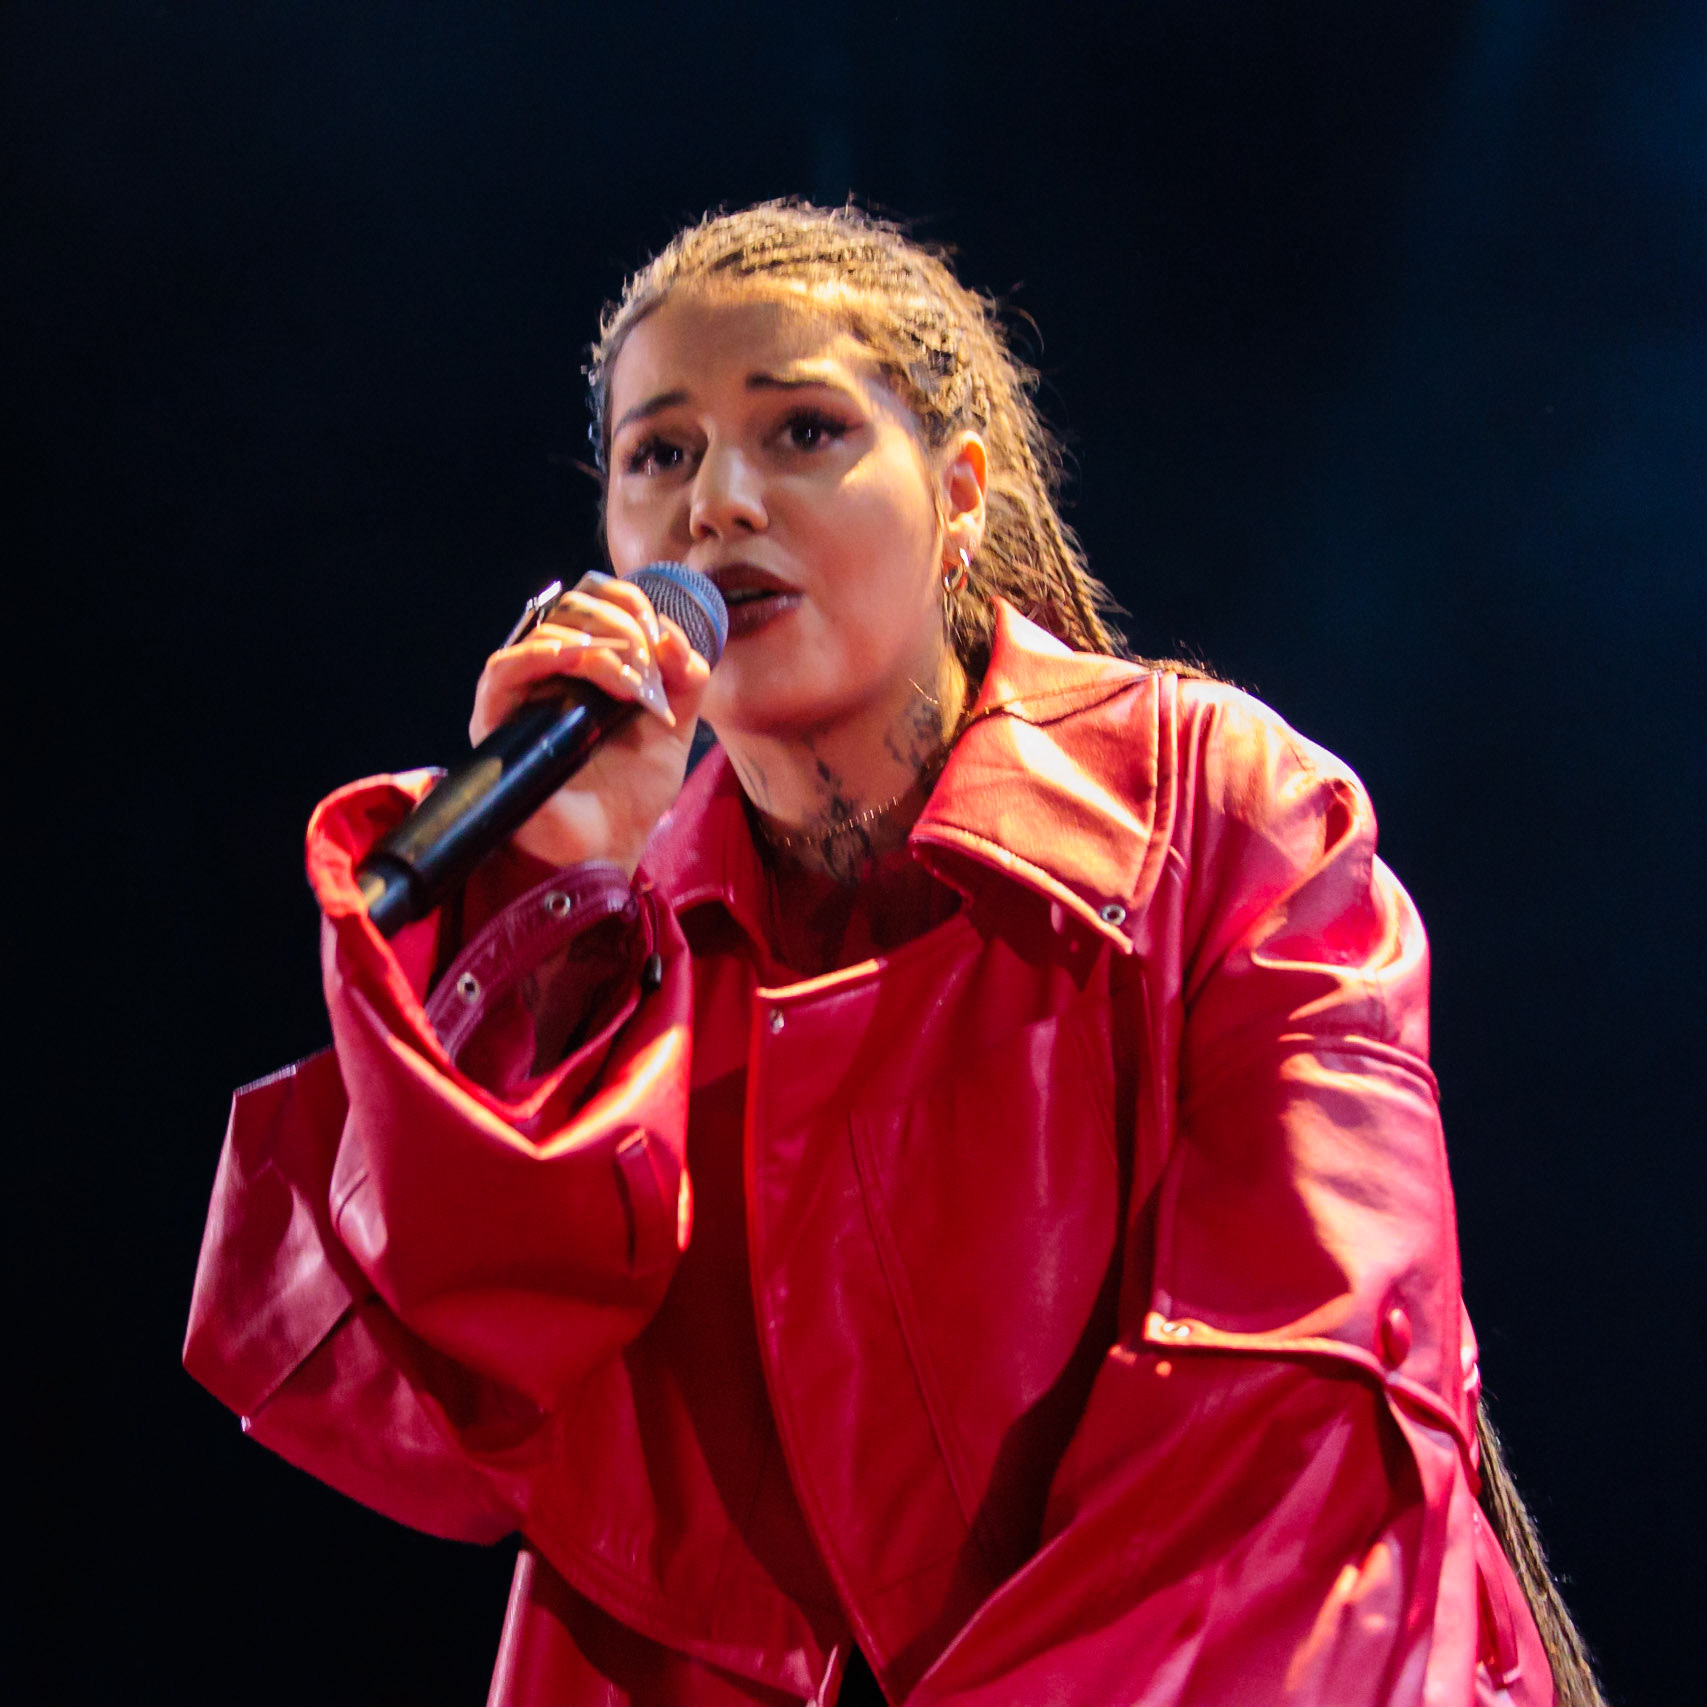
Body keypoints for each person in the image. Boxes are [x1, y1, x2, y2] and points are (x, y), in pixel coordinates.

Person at [185, 201, 1601, 1706]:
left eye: (802, 432)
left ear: (961, 496)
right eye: (657, 454)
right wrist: (555, 897)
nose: (716, 505)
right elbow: (447, 1380)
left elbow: (1304, 1423)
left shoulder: (1226, 809)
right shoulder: (639, 930)